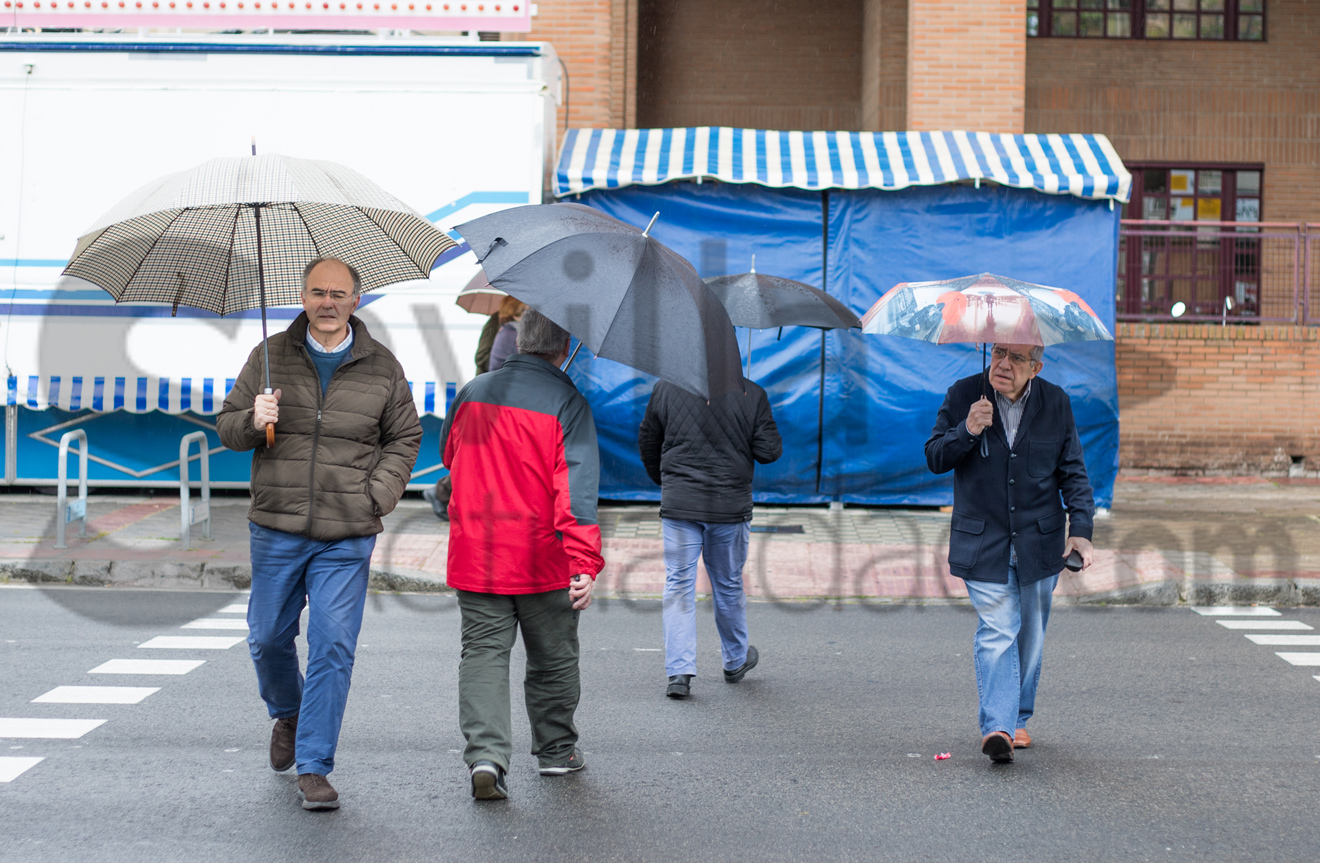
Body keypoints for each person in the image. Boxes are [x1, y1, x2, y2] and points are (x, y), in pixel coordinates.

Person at [217, 257, 422, 810]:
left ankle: (314, 766)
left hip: (347, 532)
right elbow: (228, 428)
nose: (327, 302)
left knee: (333, 645)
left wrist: (375, 495)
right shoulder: (268, 355)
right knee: (266, 638)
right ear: (302, 297)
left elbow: (405, 437)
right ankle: (287, 711)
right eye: (316, 292)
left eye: (339, 293)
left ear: (357, 301)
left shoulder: (382, 366)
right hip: (277, 525)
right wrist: (252, 418)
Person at [439, 308, 604, 801]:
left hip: (476, 554)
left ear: (519, 341)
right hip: (542, 558)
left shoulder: (473, 391)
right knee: (552, 658)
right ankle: (556, 752)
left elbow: (450, 454)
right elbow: (575, 491)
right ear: (565, 350)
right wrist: (584, 563)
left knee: (484, 655)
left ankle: (486, 756)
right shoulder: (568, 402)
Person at [925, 343, 1095, 764]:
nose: (1003, 363)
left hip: (1040, 540)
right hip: (982, 540)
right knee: (999, 628)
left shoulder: (1056, 402)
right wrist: (967, 429)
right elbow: (934, 457)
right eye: (999, 352)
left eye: (1017, 358)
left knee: (1030, 634)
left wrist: (1082, 531)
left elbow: (1073, 470)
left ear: (1036, 367)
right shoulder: (964, 394)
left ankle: (1017, 715)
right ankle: (997, 727)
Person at [637, 377, 782, 700]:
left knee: (677, 584)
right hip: (728, 506)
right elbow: (769, 452)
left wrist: (669, 484)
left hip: (680, 505)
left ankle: (679, 671)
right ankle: (735, 659)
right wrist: (749, 417)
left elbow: (648, 440)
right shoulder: (752, 393)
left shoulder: (666, 388)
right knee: (728, 583)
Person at [423, 297, 528, 522]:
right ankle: (442, 492)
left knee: (482, 455)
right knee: (480, 455)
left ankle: (445, 492)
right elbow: (484, 358)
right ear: (516, 308)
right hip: (492, 400)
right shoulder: (503, 327)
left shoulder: (509, 327)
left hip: (492, 398)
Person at [487, 298, 526, 372]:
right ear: (515, 315)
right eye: (524, 310)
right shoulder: (512, 333)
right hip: (506, 378)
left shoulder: (508, 330)